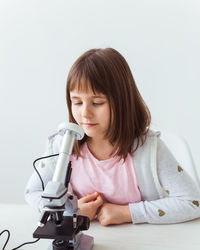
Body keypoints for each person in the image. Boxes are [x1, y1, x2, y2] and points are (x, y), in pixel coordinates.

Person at [25, 47, 200, 226]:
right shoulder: (61, 145)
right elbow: (32, 192)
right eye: (77, 102)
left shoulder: (149, 148)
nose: (85, 113)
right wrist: (70, 211)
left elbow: (193, 202)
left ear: (122, 102)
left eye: (97, 103)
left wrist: (128, 213)